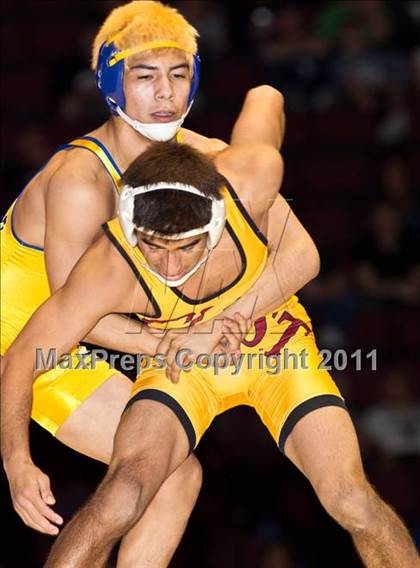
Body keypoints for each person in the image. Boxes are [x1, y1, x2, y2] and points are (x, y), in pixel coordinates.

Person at [3, 88, 419, 568]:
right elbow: (23, 353)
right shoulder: (110, 264)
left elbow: (267, 100)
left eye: (186, 247)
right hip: (185, 363)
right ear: (132, 225)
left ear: (217, 218)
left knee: (350, 498)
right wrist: (18, 463)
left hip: (273, 347)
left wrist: (233, 315)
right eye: (155, 248)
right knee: (125, 490)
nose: (170, 264)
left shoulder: (249, 180)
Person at [0, 2, 319, 566]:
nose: (164, 93)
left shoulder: (197, 158)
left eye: (177, 74)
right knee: (163, 474)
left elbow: (296, 251)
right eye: (144, 76)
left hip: (80, 329)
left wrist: (237, 312)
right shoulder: (82, 180)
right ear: (110, 83)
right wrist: (17, 462)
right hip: (27, 340)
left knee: (173, 475)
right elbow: (71, 323)